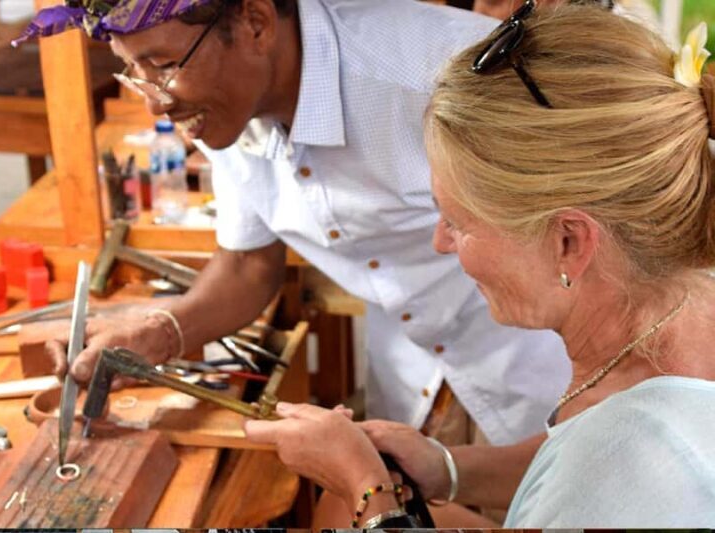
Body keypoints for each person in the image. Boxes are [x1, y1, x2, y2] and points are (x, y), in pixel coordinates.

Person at [15, 0, 569, 454]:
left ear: (255, 23)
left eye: (162, 64)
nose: (157, 103)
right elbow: (248, 264)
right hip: (412, 382)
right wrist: (158, 332)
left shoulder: (439, 76)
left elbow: (593, 238)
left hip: (545, 379)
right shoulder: (228, 104)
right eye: (134, 71)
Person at [245, 2, 715, 527]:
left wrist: (366, 488)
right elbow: (569, 461)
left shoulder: (626, 453)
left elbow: (594, 469)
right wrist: (447, 468)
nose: (441, 242)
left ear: (568, 242)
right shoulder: (685, 300)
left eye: (458, 221)